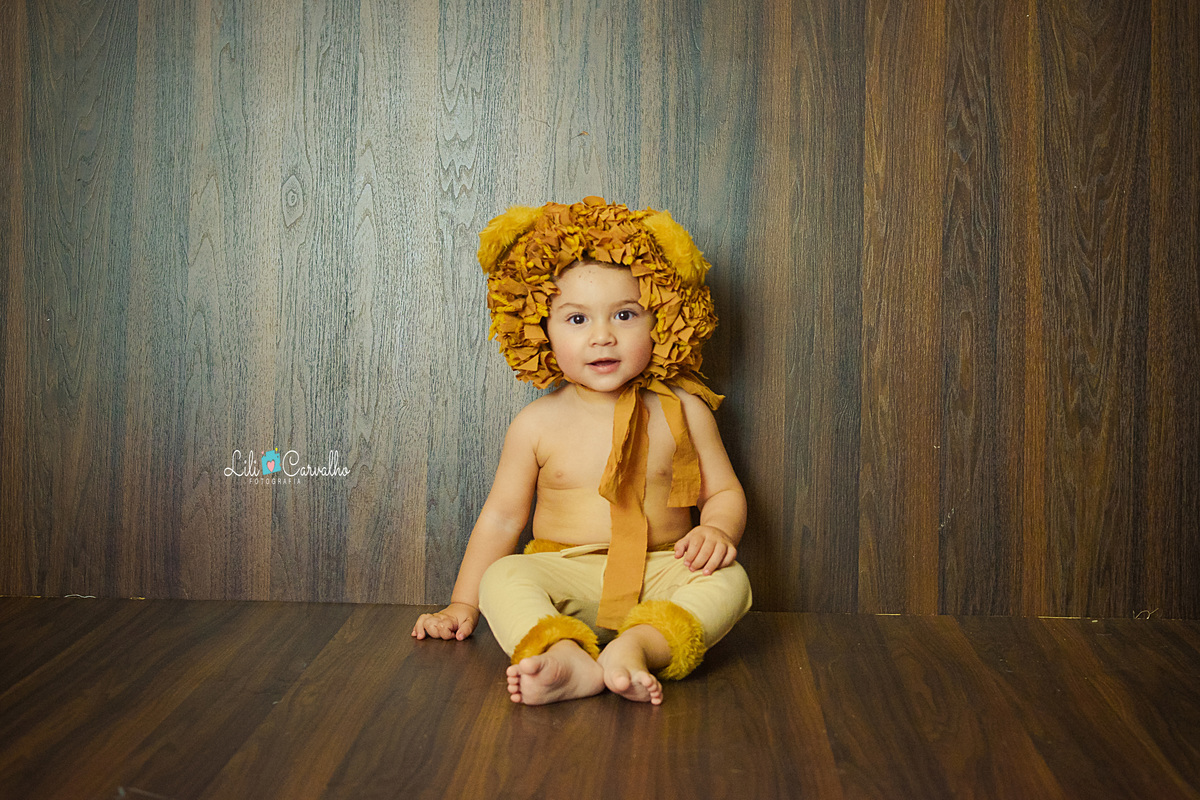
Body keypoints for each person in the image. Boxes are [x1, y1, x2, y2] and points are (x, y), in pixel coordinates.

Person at [411, 197, 751, 706]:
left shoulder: (685, 410)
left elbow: (723, 490)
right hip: (564, 576)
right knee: (503, 576)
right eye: (576, 319)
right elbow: (503, 519)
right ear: (540, 331)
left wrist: (717, 529)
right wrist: (463, 603)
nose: (602, 336)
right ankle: (565, 652)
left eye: (624, 314)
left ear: (660, 318)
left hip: (659, 571)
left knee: (732, 581)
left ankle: (638, 647)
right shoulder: (536, 424)